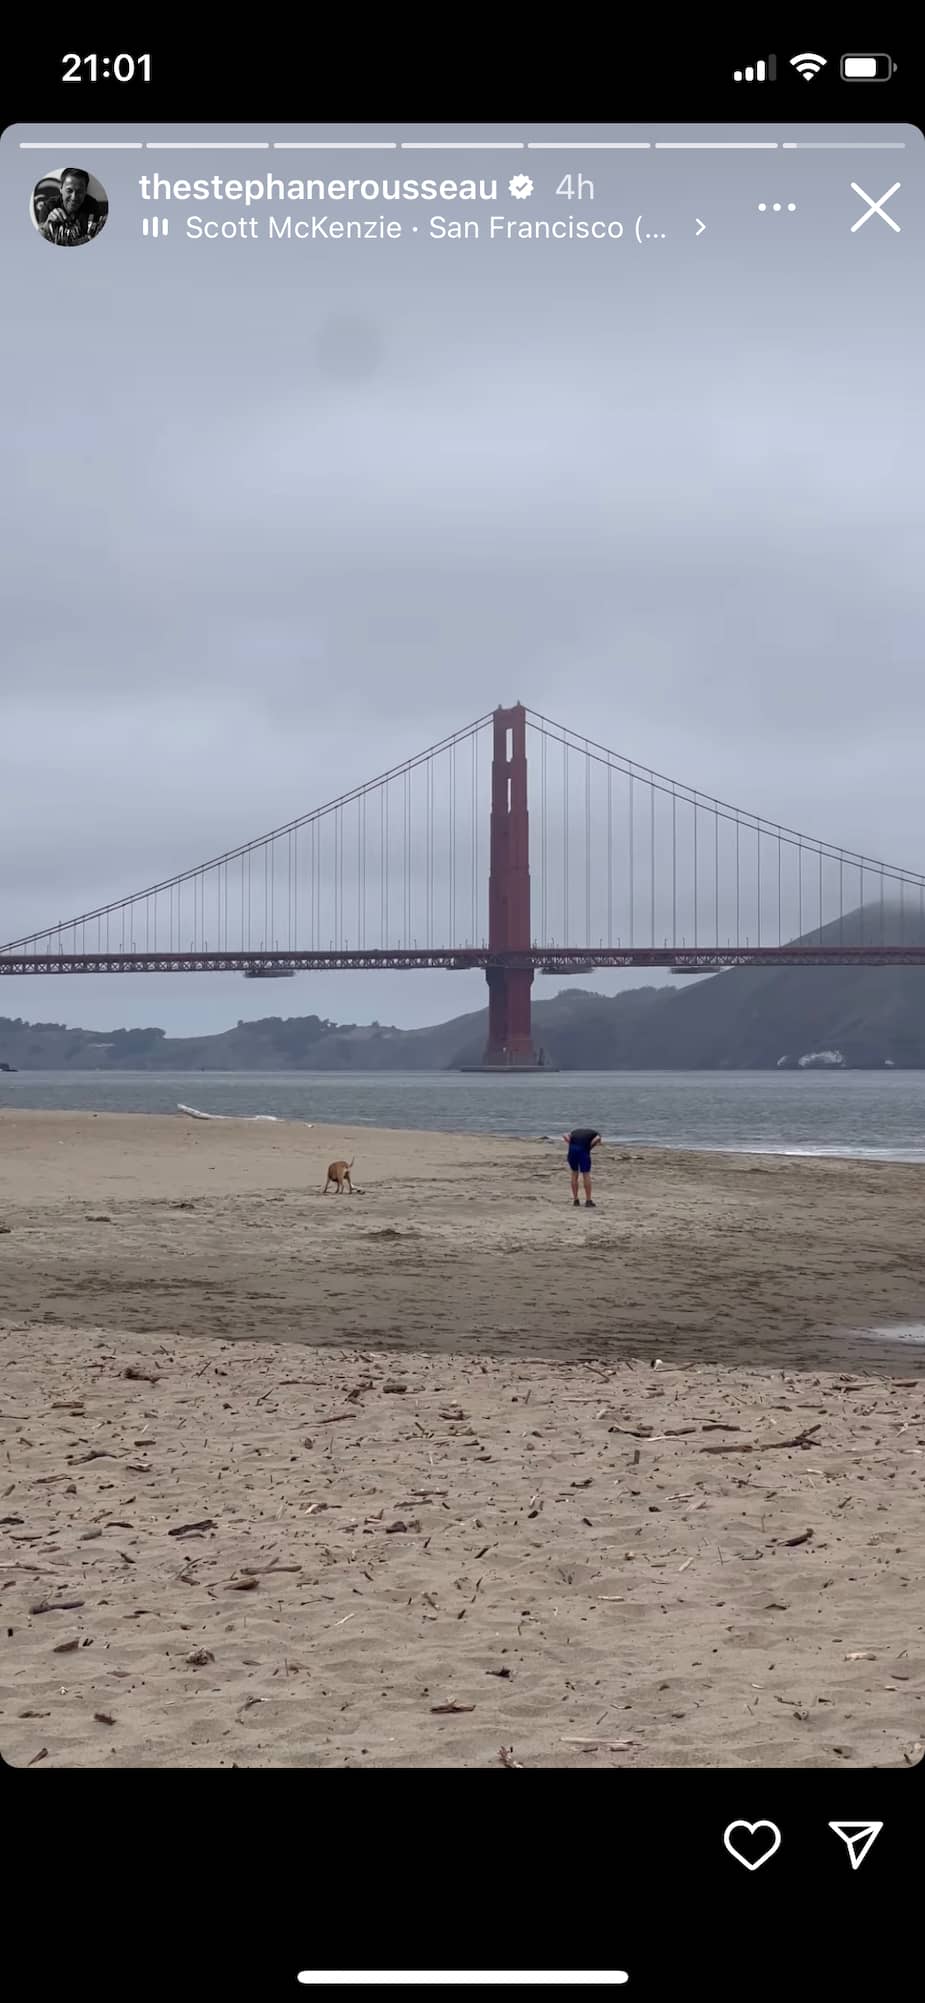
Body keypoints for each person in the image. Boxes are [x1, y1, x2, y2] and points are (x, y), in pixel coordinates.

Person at [41, 168, 106, 246]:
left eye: (80, 192)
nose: (74, 197)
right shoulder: (49, 206)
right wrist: (47, 225)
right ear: (61, 188)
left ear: (85, 191)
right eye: (69, 190)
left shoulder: (93, 205)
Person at [563, 1125, 602, 1207]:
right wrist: (590, 1147)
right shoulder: (596, 1134)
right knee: (586, 1174)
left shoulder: (574, 1131)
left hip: (572, 1150)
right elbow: (597, 1139)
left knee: (574, 1173)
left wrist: (570, 1143)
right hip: (583, 1151)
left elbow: (565, 1135)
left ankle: (575, 1200)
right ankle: (588, 1200)